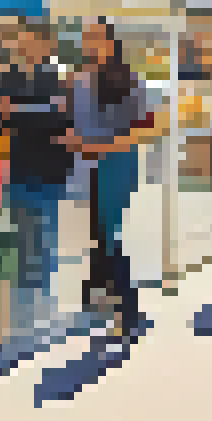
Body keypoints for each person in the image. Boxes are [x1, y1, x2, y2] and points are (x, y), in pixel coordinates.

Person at [60, 19, 160, 338]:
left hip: (116, 164)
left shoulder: (129, 81)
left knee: (113, 236)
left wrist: (97, 145)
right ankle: (107, 299)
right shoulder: (77, 80)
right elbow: (70, 119)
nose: (91, 43)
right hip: (85, 166)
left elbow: (147, 130)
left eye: (97, 37)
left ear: (111, 41)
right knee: (100, 235)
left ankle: (130, 313)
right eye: (87, 37)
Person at [0, 24, 74, 332]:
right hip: (19, 165)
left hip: (50, 166)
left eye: (30, 42)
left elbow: (60, 117)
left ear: (46, 45)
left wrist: (14, 112)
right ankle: (24, 306)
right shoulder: (6, 77)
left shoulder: (61, 77)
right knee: (22, 236)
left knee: (44, 234)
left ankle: (43, 303)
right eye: (21, 42)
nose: (24, 47)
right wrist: (8, 114)